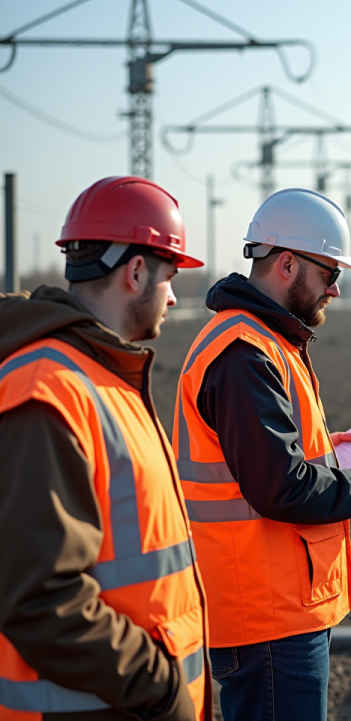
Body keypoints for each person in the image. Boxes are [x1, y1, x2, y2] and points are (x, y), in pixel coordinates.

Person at [173, 188, 351, 721]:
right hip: (267, 616)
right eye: (330, 274)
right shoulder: (245, 354)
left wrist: (326, 451)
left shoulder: (264, 342)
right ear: (288, 263)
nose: (335, 290)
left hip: (276, 605)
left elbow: (265, 459)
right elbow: (280, 488)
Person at [0, 176, 212, 721]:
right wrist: (162, 688)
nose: (171, 296)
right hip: (99, 706)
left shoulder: (107, 378)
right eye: (169, 278)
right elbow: (41, 597)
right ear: (135, 271)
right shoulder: (49, 389)